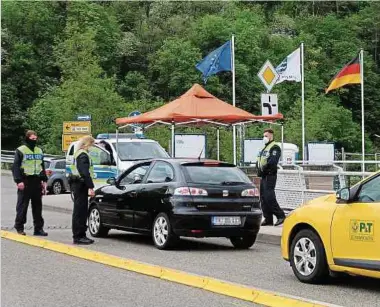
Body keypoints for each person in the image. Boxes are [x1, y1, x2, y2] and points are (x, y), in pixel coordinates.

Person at [12, 130, 48, 236]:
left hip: (36, 181)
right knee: (23, 206)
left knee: (37, 206)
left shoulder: (39, 150)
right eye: (32, 139)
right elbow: (15, 167)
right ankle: (19, 227)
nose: (34, 141)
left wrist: (44, 180)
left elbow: (42, 166)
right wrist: (18, 181)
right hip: (25, 180)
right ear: (27, 138)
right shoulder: (21, 150)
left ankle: (38, 228)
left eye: (35, 139)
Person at [69, 136, 96, 245]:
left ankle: (80, 234)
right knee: (80, 211)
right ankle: (79, 236)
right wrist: (91, 186)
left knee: (79, 210)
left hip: (77, 184)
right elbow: (85, 173)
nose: (92, 147)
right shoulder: (83, 155)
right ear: (87, 144)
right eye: (92, 145)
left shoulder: (78, 153)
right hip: (81, 185)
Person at [257, 128, 286, 227]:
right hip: (263, 175)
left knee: (269, 196)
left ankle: (280, 215)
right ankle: (268, 218)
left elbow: (273, 161)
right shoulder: (264, 148)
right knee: (263, 197)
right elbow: (261, 160)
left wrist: (265, 168)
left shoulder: (274, 147)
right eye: (264, 136)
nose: (264, 138)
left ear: (271, 136)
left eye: (266, 136)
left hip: (270, 174)